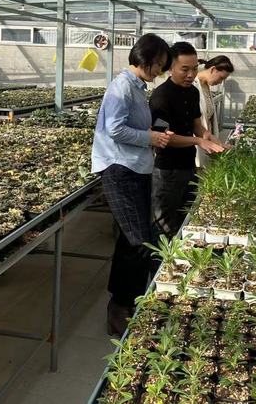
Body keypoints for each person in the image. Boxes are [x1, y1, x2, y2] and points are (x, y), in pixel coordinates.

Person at [91, 33, 173, 336]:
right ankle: (121, 306)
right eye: (159, 64)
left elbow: (132, 126)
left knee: (131, 240)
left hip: (135, 167)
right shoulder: (121, 87)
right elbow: (114, 129)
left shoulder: (137, 88)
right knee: (137, 240)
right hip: (119, 169)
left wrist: (153, 135)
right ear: (145, 59)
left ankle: (126, 303)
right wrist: (149, 137)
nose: (160, 71)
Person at [149, 42, 226, 238]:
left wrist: (210, 138)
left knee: (186, 216)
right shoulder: (161, 96)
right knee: (165, 223)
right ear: (170, 67)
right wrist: (198, 142)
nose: (191, 75)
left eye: (194, 69)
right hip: (167, 171)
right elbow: (163, 138)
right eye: (185, 69)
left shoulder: (192, 92)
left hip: (188, 166)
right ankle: (158, 257)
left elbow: (196, 125)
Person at [194, 55, 234, 168]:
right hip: (195, 140)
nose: (220, 82)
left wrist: (216, 142)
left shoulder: (205, 86)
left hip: (206, 138)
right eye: (220, 78)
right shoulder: (192, 85)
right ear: (213, 70)